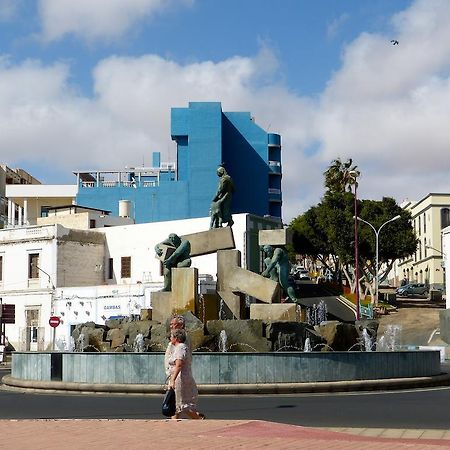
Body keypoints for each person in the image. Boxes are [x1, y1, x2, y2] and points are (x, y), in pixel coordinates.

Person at [167, 328, 205, 419]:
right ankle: (197, 418)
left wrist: (173, 380)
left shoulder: (180, 348)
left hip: (180, 379)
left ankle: (198, 419)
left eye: (171, 336)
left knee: (179, 404)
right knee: (179, 405)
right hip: (181, 378)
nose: (170, 338)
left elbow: (179, 365)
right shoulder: (180, 347)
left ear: (176, 338)